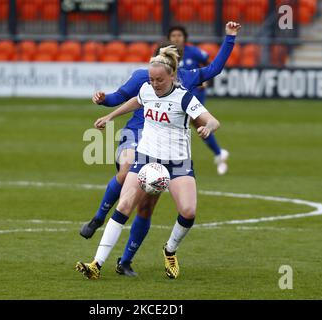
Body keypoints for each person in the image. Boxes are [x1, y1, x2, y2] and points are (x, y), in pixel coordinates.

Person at [80, 21, 241, 245]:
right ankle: (98, 217)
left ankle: (126, 260)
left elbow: (214, 69)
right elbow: (120, 96)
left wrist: (230, 36)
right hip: (136, 133)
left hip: (166, 146)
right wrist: (104, 100)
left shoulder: (187, 77)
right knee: (127, 169)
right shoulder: (141, 76)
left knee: (145, 207)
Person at [76, 45, 221, 280]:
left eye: (160, 80)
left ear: (173, 76)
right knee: (124, 205)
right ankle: (96, 263)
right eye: (152, 79)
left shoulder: (184, 97)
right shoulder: (147, 89)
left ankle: (170, 249)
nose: (155, 84)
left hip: (177, 163)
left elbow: (212, 120)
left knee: (188, 211)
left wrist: (207, 127)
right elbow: (136, 101)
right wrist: (110, 116)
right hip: (145, 158)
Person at [168, 25, 229, 175]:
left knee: (184, 124)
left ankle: (175, 163)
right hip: (174, 97)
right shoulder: (166, 55)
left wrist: (204, 80)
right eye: (173, 35)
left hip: (194, 94)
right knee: (198, 125)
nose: (176, 38)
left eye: (179, 35)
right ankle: (219, 153)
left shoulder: (194, 52)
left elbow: (209, 64)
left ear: (185, 37)